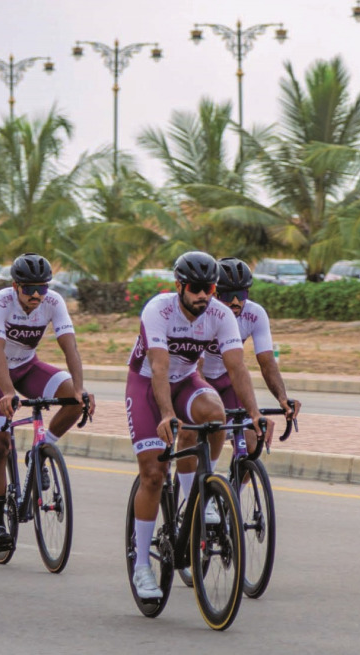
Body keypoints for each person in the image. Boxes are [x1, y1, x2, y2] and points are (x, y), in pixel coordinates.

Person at [126, 251, 265, 600]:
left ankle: (202, 496)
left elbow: (237, 369)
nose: (204, 295)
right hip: (146, 384)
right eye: (196, 288)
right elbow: (158, 367)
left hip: (186, 379)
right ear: (180, 286)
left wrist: (254, 412)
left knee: (216, 414)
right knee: (153, 475)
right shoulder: (158, 310)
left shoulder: (219, 314)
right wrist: (166, 413)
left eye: (210, 288)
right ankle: (142, 565)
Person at [0, 252, 95, 553]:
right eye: (30, 289)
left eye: (43, 288)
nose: (37, 295)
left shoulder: (53, 302)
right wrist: (7, 392)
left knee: (74, 401)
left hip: (27, 365)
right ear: (16, 287)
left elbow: (70, 346)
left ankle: (41, 450)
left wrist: (79, 388)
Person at [205, 257, 301, 459]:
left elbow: (267, 362)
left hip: (228, 381)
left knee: (251, 445)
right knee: (206, 441)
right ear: (214, 293)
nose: (235, 302)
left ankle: (233, 490)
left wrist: (282, 398)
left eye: (241, 294)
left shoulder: (255, 314)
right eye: (228, 295)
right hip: (200, 380)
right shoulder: (205, 312)